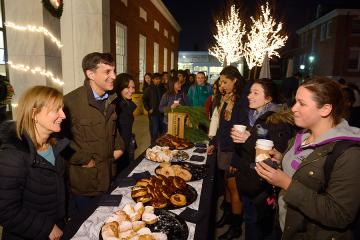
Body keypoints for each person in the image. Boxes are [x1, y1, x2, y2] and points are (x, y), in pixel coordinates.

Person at [255, 77, 360, 240]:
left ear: (325, 109)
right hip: (285, 227)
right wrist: (282, 159)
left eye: (301, 104)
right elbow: (307, 167)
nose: (293, 108)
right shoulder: (302, 136)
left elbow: (339, 214)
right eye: (295, 101)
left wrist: (286, 183)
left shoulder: (349, 154)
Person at [228, 79, 295, 240]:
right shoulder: (253, 115)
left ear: (269, 98)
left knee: (260, 227)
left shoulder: (277, 121)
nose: (249, 96)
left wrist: (248, 139)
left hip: (262, 187)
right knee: (250, 222)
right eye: (250, 92)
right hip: (248, 182)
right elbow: (247, 151)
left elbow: (276, 156)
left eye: (255, 93)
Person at [0, 86, 68, 240]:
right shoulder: (13, 155)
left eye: (62, 109)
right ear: (34, 114)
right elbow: (5, 210)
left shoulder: (56, 147)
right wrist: (47, 227)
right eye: (56, 110)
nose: (63, 115)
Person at [62, 52, 124, 215]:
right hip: (85, 184)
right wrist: (83, 159)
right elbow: (57, 141)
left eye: (114, 71)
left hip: (109, 175)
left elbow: (114, 130)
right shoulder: (70, 102)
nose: (114, 76)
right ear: (90, 74)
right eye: (107, 72)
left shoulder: (112, 99)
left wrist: (120, 147)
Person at [206, 66, 248, 239]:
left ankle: (236, 227)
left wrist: (236, 159)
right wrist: (214, 143)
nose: (221, 85)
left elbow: (241, 132)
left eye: (225, 82)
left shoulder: (241, 102)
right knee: (226, 186)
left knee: (234, 188)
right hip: (223, 148)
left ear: (235, 81)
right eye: (220, 82)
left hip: (234, 151)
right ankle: (227, 216)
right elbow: (223, 127)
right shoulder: (225, 98)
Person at [114, 73, 137, 171]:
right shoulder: (117, 106)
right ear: (120, 88)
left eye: (133, 87)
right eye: (127, 87)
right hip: (119, 149)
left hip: (127, 145)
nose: (131, 91)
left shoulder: (127, 103)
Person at [142, 73, 165, 144]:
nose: (158, 80)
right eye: (156, 79)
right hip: (154, 113)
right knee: (154, 130)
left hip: (162, 113)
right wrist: (149, 109)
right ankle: (153, 145)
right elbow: (144, 99)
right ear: (153, 80)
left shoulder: (163, 88)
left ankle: (161, 144)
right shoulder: (149, 89)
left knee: (162, 130)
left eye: (159, 79)